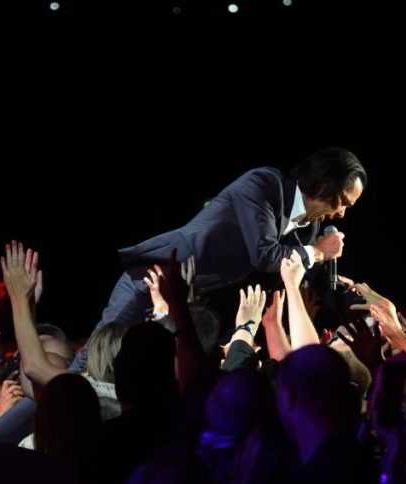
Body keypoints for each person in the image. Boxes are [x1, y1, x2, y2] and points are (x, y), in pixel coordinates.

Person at [73, 148, 365, 365]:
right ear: (323, 184)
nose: (341, 214)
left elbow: (305, 273)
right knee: (95, 357)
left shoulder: (308, 227)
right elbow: (265, 255)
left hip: (185, 301)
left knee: (136, 373)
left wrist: (352, 292)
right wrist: (317, 251)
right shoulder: (265, 184)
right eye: (342, 202)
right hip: (155, 277)